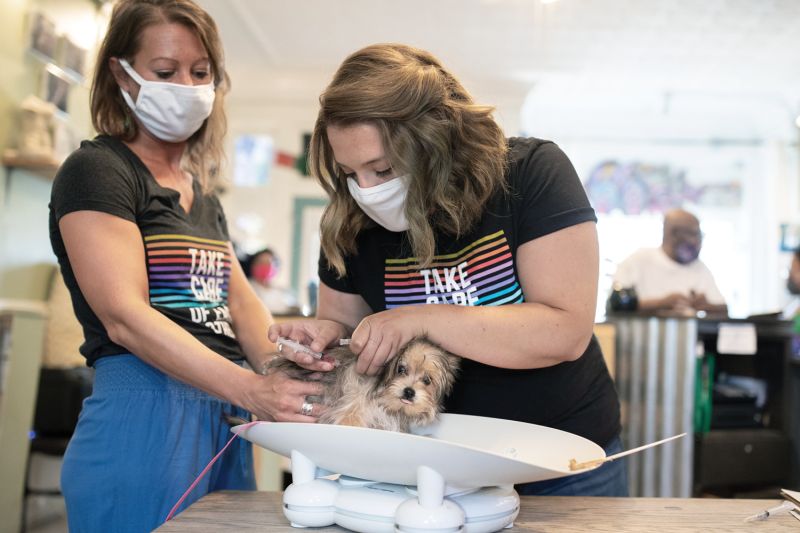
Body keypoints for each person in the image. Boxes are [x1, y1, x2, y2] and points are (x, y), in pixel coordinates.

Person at [268, 43, 626, 496]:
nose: (367, 190)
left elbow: (564, 330)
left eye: (383, 169)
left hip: (559, 459)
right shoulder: (349, 221)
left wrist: (418, 317)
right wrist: (323, 337)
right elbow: (347, 327)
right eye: (350, 173)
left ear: (438, 141)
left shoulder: (530, 175)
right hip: (420, 461)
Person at [48, 1, 324, 530]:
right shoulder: (98, 171)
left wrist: (296, 375)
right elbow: (124, 317)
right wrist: (248, 389)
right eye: (166, 72)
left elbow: (243, 309)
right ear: (122, 75)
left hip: (224, 419)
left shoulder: (204, 197)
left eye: (200, 73)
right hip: (145, 415)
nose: (187, 85)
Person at [612, 208, 728, 316]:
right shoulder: (638, 260)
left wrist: (707, 306)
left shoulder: (699, 267)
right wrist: (661, 304)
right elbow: (616, 304)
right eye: (693, 234)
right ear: (672, 235)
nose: (698, 242)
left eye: (699, 235)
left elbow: (724, 310)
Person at [242, 247, 301, 315]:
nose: (265, 266)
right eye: (261, 263)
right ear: (252, 266)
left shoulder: (281, 291)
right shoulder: (246, 287)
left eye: (269, 263)